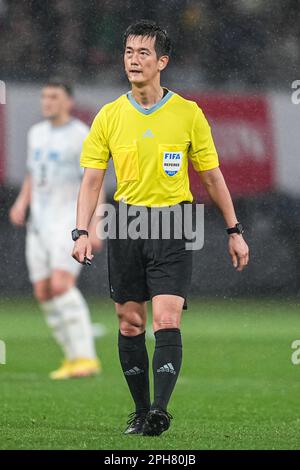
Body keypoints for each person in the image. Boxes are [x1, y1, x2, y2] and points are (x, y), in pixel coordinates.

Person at [72, 20, 249, 436]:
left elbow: (211, 176)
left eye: (143, 53)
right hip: (127, 222)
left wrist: (234, 229)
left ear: (162, 61)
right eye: (129, 52)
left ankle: (159, 411)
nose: (133, 60)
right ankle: (139, 411)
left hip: (174, 222)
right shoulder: (110, 115)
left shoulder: (187, 113)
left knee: (166, 320)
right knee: (130, 322)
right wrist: (80, 231)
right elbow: (92, 180)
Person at [10, 79, 103, 380]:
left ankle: (87, 358)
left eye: (53, 97)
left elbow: (94, 181)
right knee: (43, 291)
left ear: (68, 102)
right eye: (44, 97)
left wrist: (95, 225)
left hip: (66, 222)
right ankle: (71, 356)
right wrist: (22, 202)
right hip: (39, 224)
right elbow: (32, 173)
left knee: (62, 285)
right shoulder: (36, 133)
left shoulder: (80, 135)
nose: (46, 102)